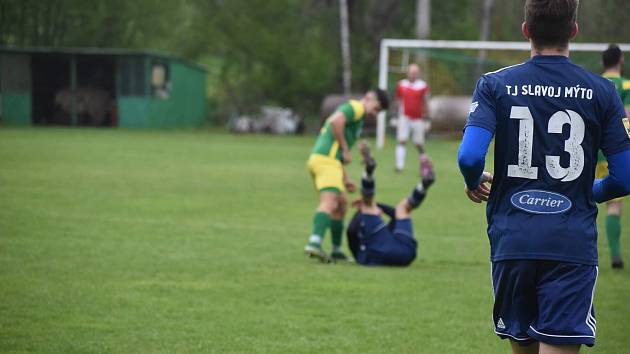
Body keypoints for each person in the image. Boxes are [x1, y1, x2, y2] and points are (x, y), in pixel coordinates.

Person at [457, 1, 630, 353]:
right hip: (571, 242)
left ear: (526, 30)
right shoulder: (603, 92)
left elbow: (470, 155)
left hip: (513, 239)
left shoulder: (494, 85)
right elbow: (625, 177)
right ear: (574, 31)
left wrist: (474, 179)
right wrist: (588, 191)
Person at [305, 89, 389, 263]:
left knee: (342, 203)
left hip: (327, 162)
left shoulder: (356, 121)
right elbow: (336, 122)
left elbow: (337, 150)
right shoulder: (356, 107)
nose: (375, 114)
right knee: (330, 202)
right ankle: (314, 242)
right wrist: (345, 149)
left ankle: (336, 250)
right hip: (326, 161)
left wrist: (345, 178)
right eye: (376, 108)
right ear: (369, 98)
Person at [346, 140, 434, 266]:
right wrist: (377, 206)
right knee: (403, 209)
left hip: (383, 255)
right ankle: (423, 186)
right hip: (407, 253)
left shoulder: (365, 245)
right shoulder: (384, 233)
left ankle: (369, 170)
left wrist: (364, 209)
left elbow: (350, 230)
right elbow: (394, 213)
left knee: (368, 204)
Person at [596, 44, 630, 269]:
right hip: (616, 149)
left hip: (592, 151)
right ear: (620, 61)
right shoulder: (626, 85)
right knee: (614, 206)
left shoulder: (595, 83)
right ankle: (616, 255)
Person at [395, 63, 432, 174]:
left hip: (418, 118)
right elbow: (398, 100)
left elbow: (425, 102)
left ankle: (425, 166)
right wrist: (395, 115)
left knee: (418, 143)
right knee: (402, 140)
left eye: (415, 72)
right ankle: (399, 166)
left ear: (418, 73)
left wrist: (428, 117)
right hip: (404, 117)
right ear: (407, 73)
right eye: (411, 72)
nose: (413, 74)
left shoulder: (423, 86)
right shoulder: (401, 85)